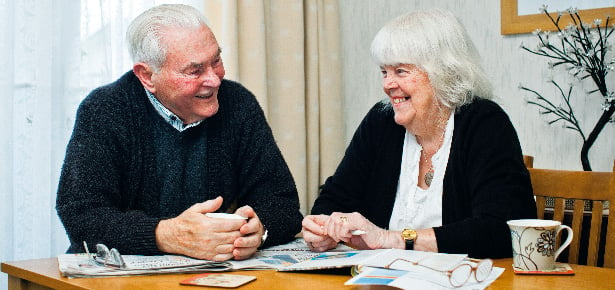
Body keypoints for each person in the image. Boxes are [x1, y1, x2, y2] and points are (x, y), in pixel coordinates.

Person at [56, 4, 303, 262]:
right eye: (195, 71)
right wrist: (166, 235)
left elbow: (282, 203)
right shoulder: (105, 110)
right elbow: (81, 217)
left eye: (216, 61)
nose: (215, 80)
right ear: (147, 76)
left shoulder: (238, 103)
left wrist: (259, 229)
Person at [302, 9, 537, 259]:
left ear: (442, 72)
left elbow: (500, 230)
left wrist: (387, 239)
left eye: (401, 71)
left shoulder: (484, 122)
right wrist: (323, 228)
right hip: (383, 279)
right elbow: (335, 198)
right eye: (384, 71)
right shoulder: (381, 122)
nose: (387, 85)